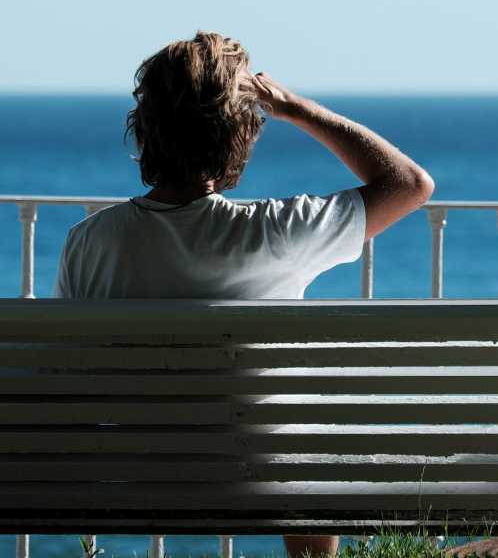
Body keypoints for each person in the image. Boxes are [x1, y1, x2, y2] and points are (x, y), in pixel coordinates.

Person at [53, 31, 435, 557]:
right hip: (257, 480)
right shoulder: (275, 233)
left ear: (145, 130)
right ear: (239, 134)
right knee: (304, 452)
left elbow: (67, 380)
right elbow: (409, 183)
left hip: (127, 476)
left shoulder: (88, 241)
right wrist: (297, 110)